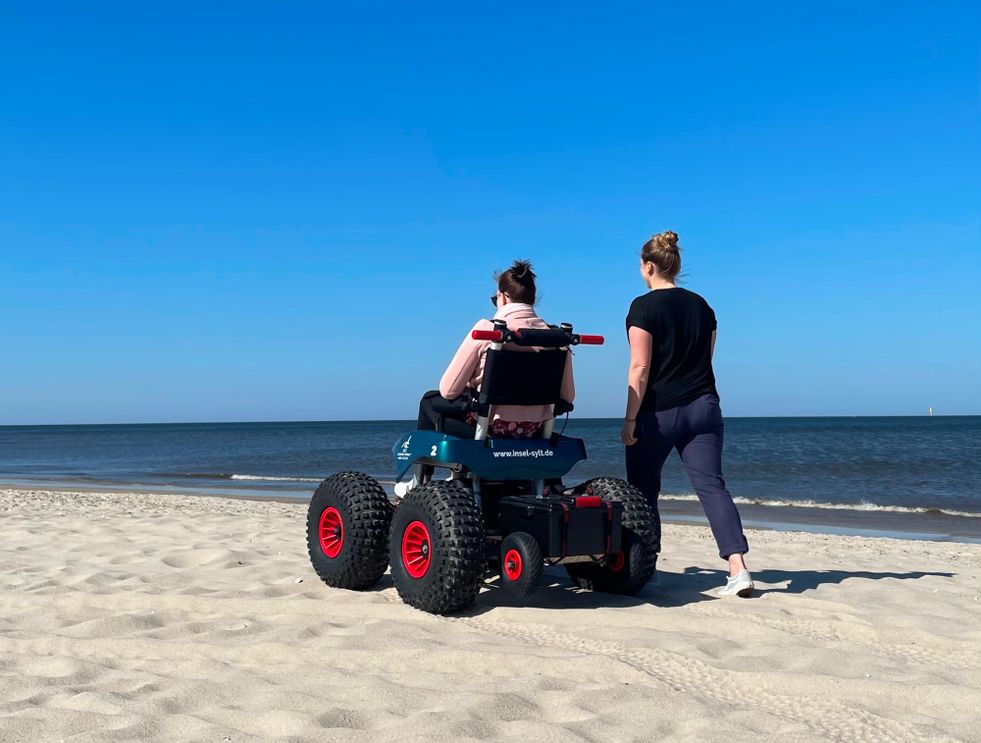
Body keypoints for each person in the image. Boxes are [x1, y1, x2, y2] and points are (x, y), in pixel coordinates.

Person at [621, 230, 753, 597]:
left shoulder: (642, 307)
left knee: (644, 491)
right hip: (704, 406)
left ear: (648, 266)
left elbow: (640, 368)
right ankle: (737, 568)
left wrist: (630, 419)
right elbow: (705, 359)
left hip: (659, 413)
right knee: (712, 487)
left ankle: (647, 567)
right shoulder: (702, 306)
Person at [394, 259, 575, 497]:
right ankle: (547, 485)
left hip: (489, 430)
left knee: (430, 401)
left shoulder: (488, 330)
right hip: (534, 431)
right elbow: (567, 396)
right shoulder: (556, 337)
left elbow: (448, 389)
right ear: (532, 298)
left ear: (503, 297)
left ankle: (418, 484)